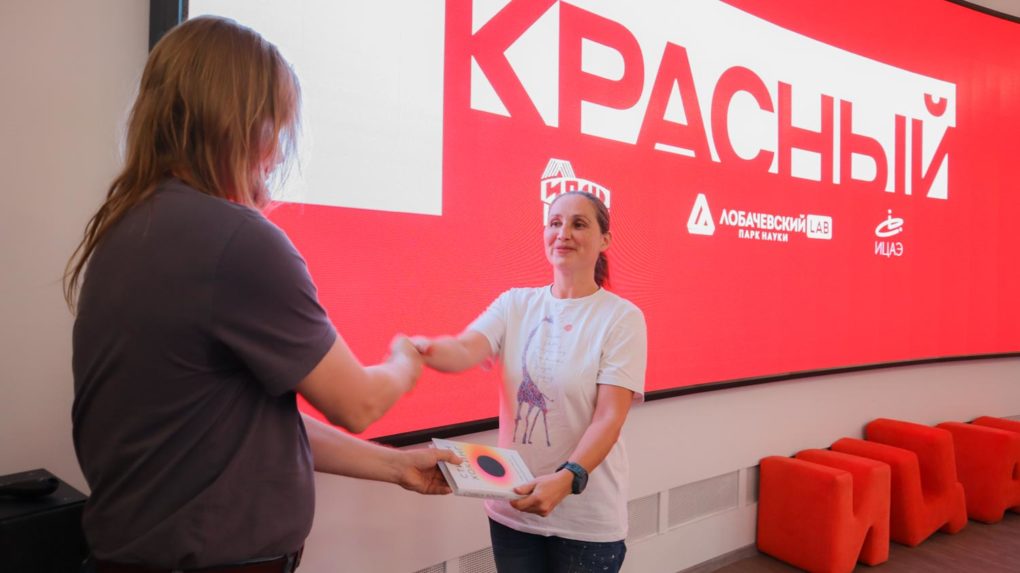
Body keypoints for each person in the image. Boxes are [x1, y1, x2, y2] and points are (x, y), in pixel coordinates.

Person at [64, 16, 458, 572]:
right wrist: (404, 361)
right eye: (277, 126)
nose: (276, 152)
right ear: (245, 123)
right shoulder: (237, 240)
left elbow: (243, 422)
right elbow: (359, 403)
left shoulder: (128, 230)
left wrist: (395, 466)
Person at [412, 190, 648, 573]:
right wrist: (424, 349)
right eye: (555, 223)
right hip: (513, 511)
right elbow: (465, 348)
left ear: (604, 240)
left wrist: (568, 479)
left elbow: (609, 418)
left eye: (578, 224)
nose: (563, 233)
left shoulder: (622, 318)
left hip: (586, 522)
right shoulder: (515, 304)